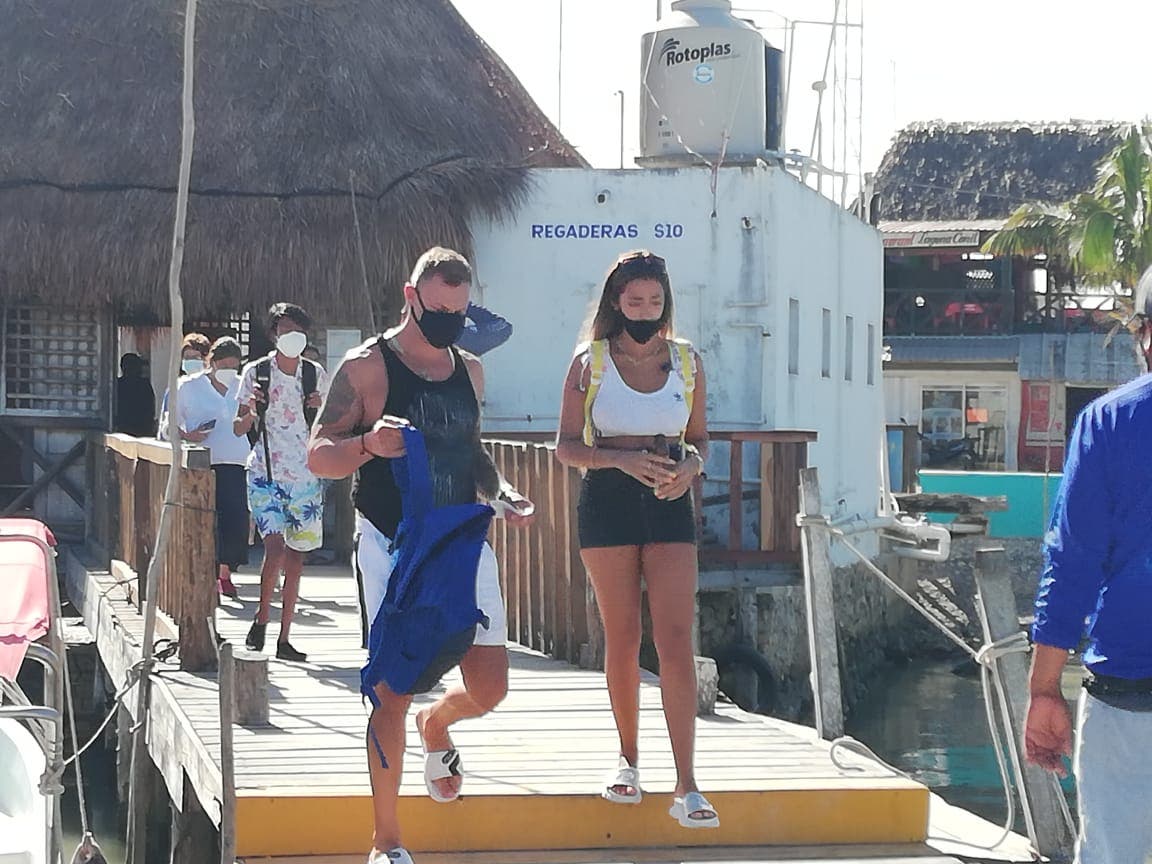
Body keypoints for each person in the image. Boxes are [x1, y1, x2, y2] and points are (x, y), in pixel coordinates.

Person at [307, 247, 533, 864]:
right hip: (391, 543)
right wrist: (367, 444)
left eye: (459, 312)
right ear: (411, 297)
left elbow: (471, 451)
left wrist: (503, 493)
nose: (449, 322)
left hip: (460, 542)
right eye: (438, 310)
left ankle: (438, 725)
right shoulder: (367, 367)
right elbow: (319, 455)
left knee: (490, 688)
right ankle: (386, 840)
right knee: (390, 691)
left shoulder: (470, 370)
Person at [554, 250, 718, 829]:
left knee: (675, 637)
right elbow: (566, 446)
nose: (645, 310)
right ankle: (627, 760)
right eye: (634, 301)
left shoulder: (687, 362)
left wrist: (691, 469)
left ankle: (687, 783)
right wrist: (620, 460)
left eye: (654, 301)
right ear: (616, 303)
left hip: (670, 500)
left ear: (666, 303)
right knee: (623, 635)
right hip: (608, 498)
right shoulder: (589, 363)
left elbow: (700, 439)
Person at [1025, 264, 1152, 864]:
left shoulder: (1109, 422)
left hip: (1129, 700)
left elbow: (1072, 565)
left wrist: (1044, 689)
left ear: (1143, 334)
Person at [233, 304, 328, 662]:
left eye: (299, 330)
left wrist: (319, 407)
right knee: (274, 549)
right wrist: (250, 409)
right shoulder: (256, 373)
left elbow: (331, 426)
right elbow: (238, 428)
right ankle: (261, 618)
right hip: (265, 472)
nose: (293, 336)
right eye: (286, 329)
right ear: (274, 334)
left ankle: (284, 638)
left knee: (297, 558)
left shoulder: (315, 374)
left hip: (305, 477)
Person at [169, 337, 251, 599]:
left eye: (234, 366)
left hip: (236, 460)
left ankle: (225, 573)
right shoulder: (188, 386)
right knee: (205, 520)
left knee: (235, 519)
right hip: (201, 463)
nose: (229, 370)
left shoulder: (242, 385)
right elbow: (169, 424)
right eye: (224, 365)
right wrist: (187, 435)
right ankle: (207, 574)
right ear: (212, 362)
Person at [158, 332, 211, 440]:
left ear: (206, 360)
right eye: (187, 358)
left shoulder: (216, 385)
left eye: (195, 357)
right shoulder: (176, 388)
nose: (190, 361)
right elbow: (166, 428)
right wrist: (186, 436)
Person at [113, 352, 156, 438]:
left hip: (124, 430)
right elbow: (151, 409)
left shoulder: (117, 385)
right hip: (141, 431)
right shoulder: (144, 385)